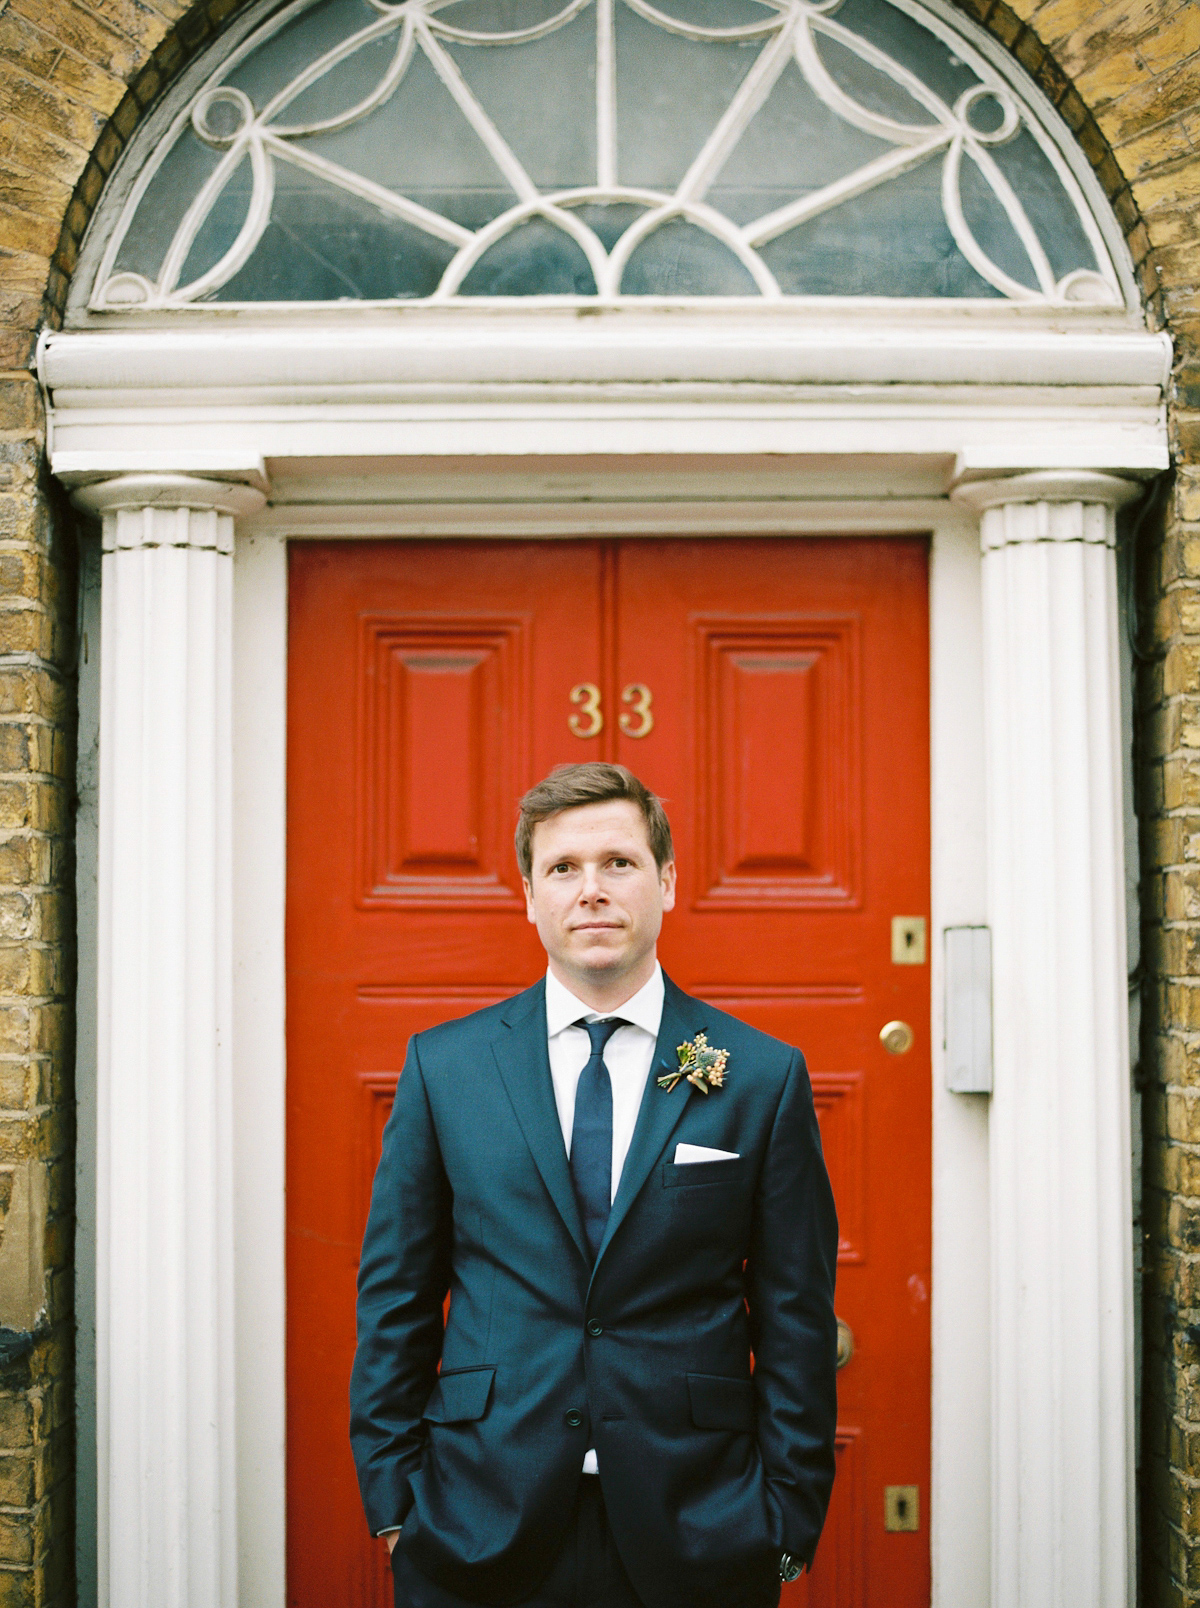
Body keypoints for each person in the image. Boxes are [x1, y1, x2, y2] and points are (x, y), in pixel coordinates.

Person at [350, 762, 838, 1608]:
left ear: (667, 882)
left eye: (619, 863)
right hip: (476, 1518)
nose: (592, 891)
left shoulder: (761, 1076)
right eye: (563, 869)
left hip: (698, 1523)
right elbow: (396, 1296)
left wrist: (787, 1522)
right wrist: (396, 1502)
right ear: (528, 895)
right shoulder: (445, 1067)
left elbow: (795, 1314)